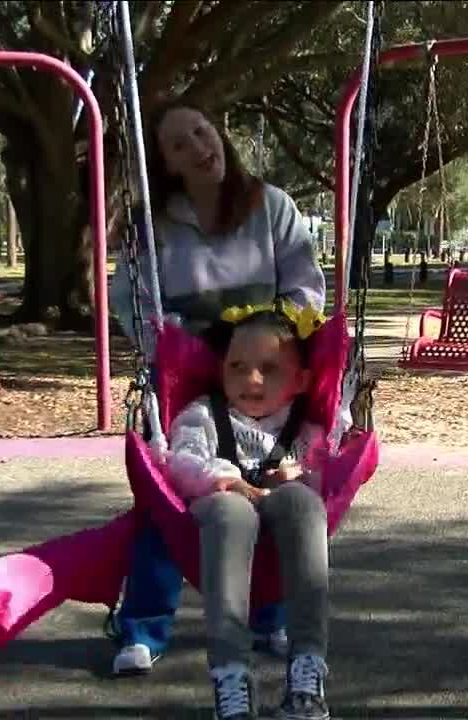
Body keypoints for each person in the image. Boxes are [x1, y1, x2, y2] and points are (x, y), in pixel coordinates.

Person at [108, 100, 327, 676]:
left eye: (202, 132)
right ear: (167, 164)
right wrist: (177, 343)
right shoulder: (152, 227)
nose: (200, 147)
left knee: (270, 478)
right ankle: (145, 626)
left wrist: (261, 333)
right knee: (168, 496)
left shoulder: (270, 206)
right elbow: (133, 303)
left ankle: (269, 616)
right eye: (180, 144)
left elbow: (307, 290)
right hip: (189, 368)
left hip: (263, 365)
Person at [168, 307, 331, 720]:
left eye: (269, 369)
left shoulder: (305, 428)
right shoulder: (203, 416)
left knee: (304, 502)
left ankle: (306, 675)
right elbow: (181, 460)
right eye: (237, 366)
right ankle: (231, 675)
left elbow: (331, 467)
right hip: (221, 505)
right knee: (231, 512)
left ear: (301, 381)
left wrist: (299, 474)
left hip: (279, 504)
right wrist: (227, 478)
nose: (251, 380)